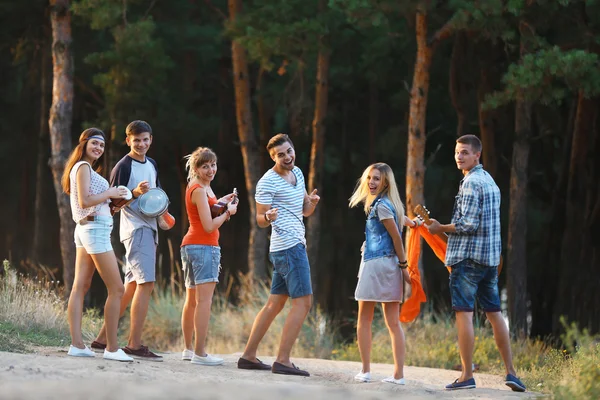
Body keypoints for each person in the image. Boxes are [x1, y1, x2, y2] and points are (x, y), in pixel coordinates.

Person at [425, 134, 526, 392]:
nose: (459, 157)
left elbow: (467, 225)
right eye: (457, 152)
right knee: (495, 314)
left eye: (465, 153)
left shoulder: (470, 183)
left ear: (477, 155)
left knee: (464, 315)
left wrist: (439, 228)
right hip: (490, 261)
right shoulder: (490, 181)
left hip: (467, 261)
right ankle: (511, 373)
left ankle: (467, 375)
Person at [237, 133, 319, 377]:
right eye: (280, 155)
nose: (286, 157)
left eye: (289, 151)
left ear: (293, 149)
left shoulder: (299, 173)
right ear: (272, 157)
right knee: (303, 303)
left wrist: (312, 202)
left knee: (275, 303)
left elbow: (304, 211)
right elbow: (260, 220)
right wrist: (268, 217)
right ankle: (283, 360)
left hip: (293, 246)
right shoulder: (267, 182)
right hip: (288, 246)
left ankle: (248, 356)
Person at [91, 120, 163, 361]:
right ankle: (134, 344)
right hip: (135, 230)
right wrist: (134, 193)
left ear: (151, 139)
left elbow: (157, 197)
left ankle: (102, 339)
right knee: (146, 284)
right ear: (128, 140)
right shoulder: (123, 166)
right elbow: (110, 205)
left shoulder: (151, 164)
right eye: (136, 140)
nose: (141, 144)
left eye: (145, 139)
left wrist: (165, 215)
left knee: (132, 287)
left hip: (150, 228)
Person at [61, 128, 133, 362]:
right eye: (94, 143)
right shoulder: (82, 167)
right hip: (94, 230)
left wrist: (117, 200)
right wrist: (110, 191)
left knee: (80, 286)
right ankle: (112, 348)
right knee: (117, 289)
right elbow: (85, 200)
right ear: (83, 144)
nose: (98, 149)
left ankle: (77, 345)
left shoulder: (86, 169)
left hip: (87, 228)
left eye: (101, 146)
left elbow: (95, 204)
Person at [348, 162, 416, 385]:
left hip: (377, 266)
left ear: (386, 182)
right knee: (392, 323)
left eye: (376, 178)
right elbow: (402, 221)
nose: (371, 182)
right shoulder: (390, 206)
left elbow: (396, 236)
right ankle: (398, 375)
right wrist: (414, 223)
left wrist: (405, 268)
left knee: (364, 320)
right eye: (369, 178)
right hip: (390, 266)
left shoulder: (382, 207)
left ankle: (366, 371)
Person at [179, 147, 238, 366]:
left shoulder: (202, 187)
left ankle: (188, 349)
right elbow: (208, 224)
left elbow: (207, 209)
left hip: (191, 246)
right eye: (205, 166)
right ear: (196, 168)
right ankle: (201, 353)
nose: (211, 169)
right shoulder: (199, 189)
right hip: (204, 246)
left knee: (192, 301)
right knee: (204, 302)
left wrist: (222, 201)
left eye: (213, 165)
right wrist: (228, 212)